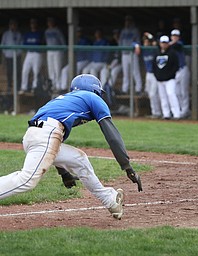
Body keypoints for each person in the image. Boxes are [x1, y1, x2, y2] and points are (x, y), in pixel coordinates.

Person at [0, 74, 142, 220]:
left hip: (35, 134)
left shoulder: (64, 101)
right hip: (46, 134)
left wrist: (64, 174)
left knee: (79, 159)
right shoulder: (92, 98)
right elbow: (113, 136)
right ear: (94, 90)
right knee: (27, 180)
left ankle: (110, 199)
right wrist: (127, 166)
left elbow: (54, 144)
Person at [152, 35, 180, 119]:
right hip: (160, 79)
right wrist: (157, 76)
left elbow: (175, 66)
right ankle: (166, 114)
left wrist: (170, 75)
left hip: (170, 79)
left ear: (168, 43)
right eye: (162, 43)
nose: (164, 44)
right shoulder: (157, 53)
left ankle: (176, 114)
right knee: (163, 97)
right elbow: (154, 66)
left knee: (171, 94)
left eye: (165, 43)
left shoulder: (172, 53)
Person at [1, 18, 23, 113]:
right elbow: (3, 44)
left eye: (14, 24)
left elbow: (21, 45)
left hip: (16, 56)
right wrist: (6, 53)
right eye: (11, 24)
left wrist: (17, 53)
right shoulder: (6, 34)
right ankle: (10, 86)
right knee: (9, 72)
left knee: (17, 72)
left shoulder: (18, 34)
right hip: (9, 56)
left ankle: (17, 86)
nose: (13, 26)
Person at [60, 27, 91, 93]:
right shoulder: (73, 40)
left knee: (76, 70)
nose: (78, 33)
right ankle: (63, 88)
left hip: (84, 60)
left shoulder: (85, 40)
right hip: (75, 61)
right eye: (77, 32)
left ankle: (76, 88)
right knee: (64, 70)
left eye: (79, 32)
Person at [19, 18, 44, 94]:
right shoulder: (27, 34)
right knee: (25, 70)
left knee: (36, 71)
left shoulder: (39, 33)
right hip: (29, 53)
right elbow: (25, 44)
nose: (33, 25)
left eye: (34, 23)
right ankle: (24, 87)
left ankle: (34, 87)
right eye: (31, 23)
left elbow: (39, 43)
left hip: (37, 53)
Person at [118, 15, 142, 95]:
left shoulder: (135, 30)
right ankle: (125, 89)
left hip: (133, 53)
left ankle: (138, 89)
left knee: (136, 72)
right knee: (126, 73)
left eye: (129, 20)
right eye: (126, 20)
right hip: (124, 54)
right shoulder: (123, 31)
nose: (127, 22)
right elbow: (120, 42)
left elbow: (138, 42)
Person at [169, 29, 190, 118]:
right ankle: (180, 110)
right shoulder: (169, 45)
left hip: (183, 69)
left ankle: (185, 110)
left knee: (183, 92)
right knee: (176, 92)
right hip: (175, 71)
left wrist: (169, 44)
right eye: (173, 36)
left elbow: (176, 45)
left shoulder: (179, 44)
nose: (174, 37)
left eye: (176, 36)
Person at [141, 32, 162, 118]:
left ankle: (157, 112)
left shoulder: (154, 49)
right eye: (144, 42)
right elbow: (134, 44)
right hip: (148, 74)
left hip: (155, 74)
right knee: (150, 94)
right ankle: (155, 112)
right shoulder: (143, 50)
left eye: (147, 42)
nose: (145, 43)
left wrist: (150, 37)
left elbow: (157, 44)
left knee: (154, 94)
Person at [44, 17, 66, 93]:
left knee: (57, 69)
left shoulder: (57, 31)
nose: (49, 23)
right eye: (48, 22)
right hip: (49, 50)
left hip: (57, 51)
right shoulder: (46, 31)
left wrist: (63, 50)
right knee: (51, 69)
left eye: (51, 21)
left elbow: (63, 42)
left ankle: (58, 85)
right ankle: (52, 86)